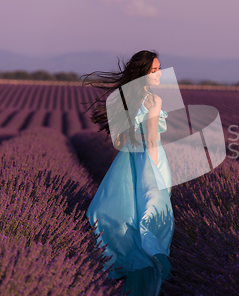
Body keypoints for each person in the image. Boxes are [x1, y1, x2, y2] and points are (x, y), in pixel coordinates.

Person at [82, 50, 174, 296]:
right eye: (154, 70)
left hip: (125, 163)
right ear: (141, 72)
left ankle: (118, 280)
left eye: (159, 68)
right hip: (149, 162)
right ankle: (147, 283)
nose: (158, 74)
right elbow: (153, 142)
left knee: (120, 220)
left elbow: (120, 143)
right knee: (149, 218)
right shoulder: (154, 101)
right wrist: (152, 174)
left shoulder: (119, 100)